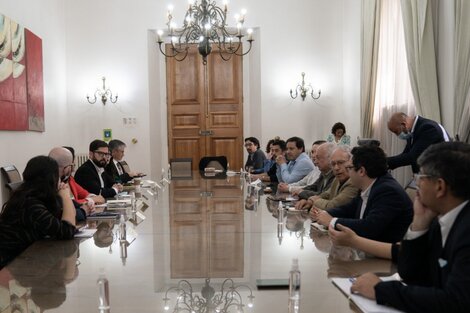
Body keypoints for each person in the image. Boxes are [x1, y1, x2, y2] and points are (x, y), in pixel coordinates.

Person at [351, 142, 470, 313]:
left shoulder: (466, 230)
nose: (417, 183)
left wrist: (381, 290)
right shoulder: (439, 218)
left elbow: (455, 302)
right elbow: (411, 274)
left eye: (420, 177)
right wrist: (419, 224)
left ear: (440, 186)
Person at [312, 144, 413, 243]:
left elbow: (370, 227)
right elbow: (349, 209)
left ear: (361, 171)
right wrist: (326, 214)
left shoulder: (388, 190)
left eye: (350, 168)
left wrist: (332, 221)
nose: (348, 172)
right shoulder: (369, 186)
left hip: (386, 257)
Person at [0, 156, 76, 269]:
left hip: (26, 258)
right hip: (13, 265)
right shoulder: (30, 204)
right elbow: (67, 230)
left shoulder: (36, 196)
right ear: (51, 179)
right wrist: (66, 196)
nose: (60, 180)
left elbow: (66, 219)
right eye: (57, 177)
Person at [296, 145, 358, 211]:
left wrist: (315, 201)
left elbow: (333, 206)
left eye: (340, 162)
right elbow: (326, 194)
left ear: (351, 162)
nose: (336, 168)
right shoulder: (337, 179)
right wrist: (309, 201)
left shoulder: (354, 182)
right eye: (333, 164)